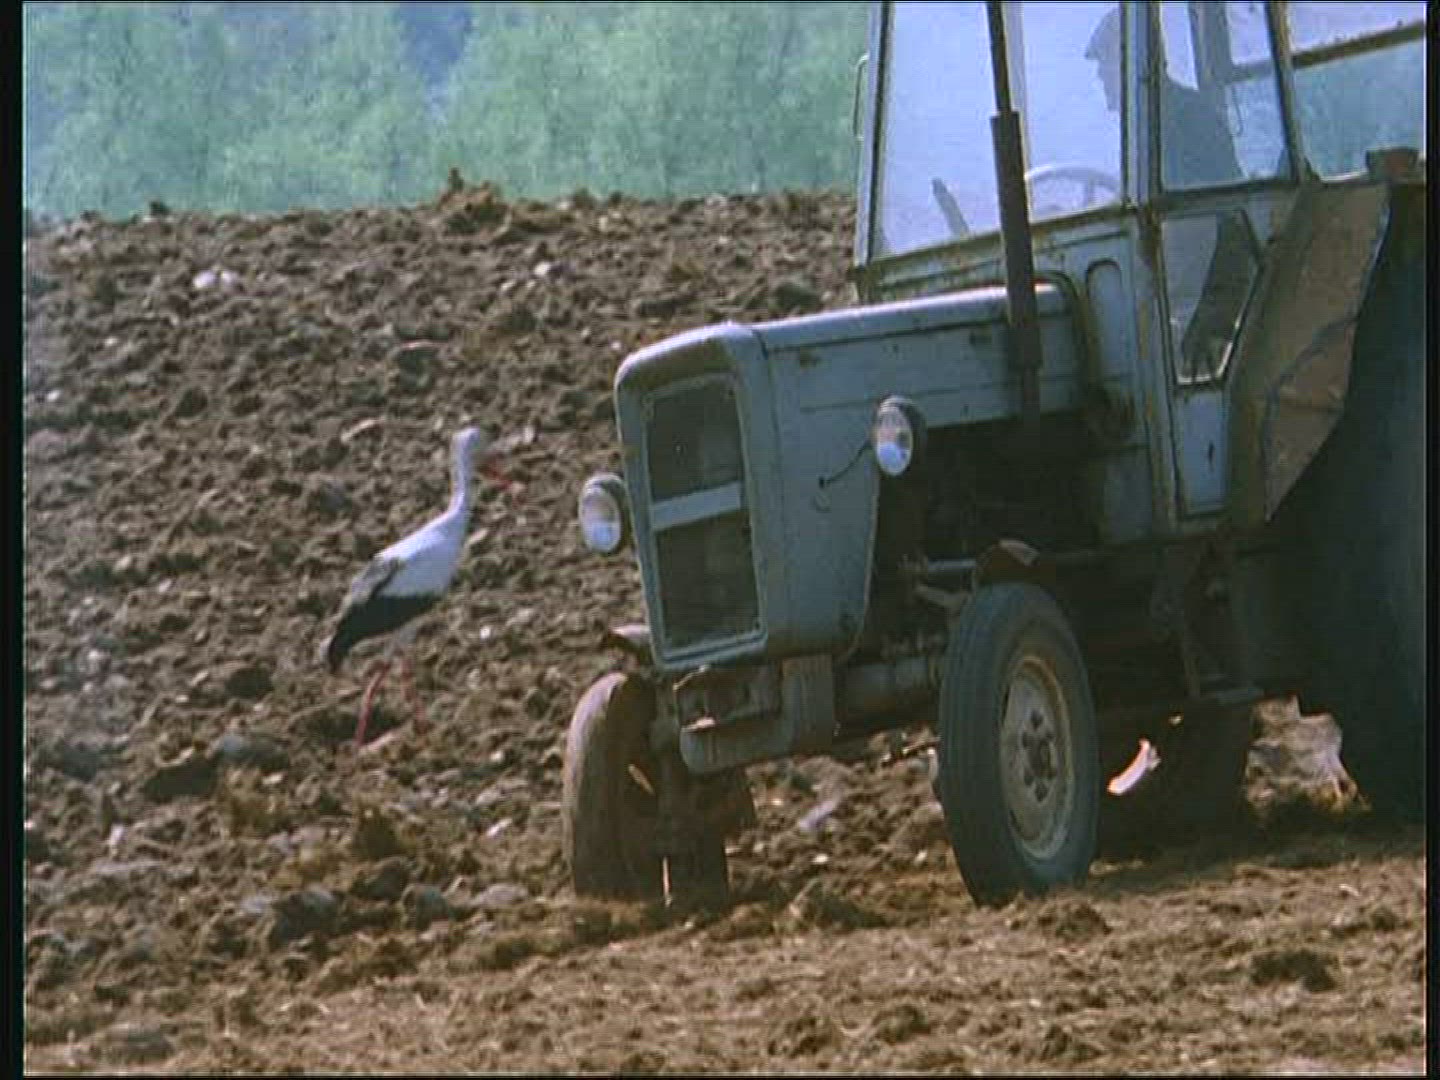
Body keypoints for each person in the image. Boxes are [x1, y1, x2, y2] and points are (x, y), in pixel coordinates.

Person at [1085, 5, 1243, 189]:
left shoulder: (1191, 119)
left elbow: (1218, 195)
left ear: (1136, 62)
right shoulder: (1142, 125)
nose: (1101, 74)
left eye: (1107, 61)